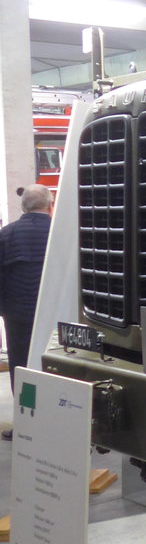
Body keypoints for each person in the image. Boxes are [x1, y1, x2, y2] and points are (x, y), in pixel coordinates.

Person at [1, 184, 53, 440]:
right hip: (57, 316)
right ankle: (62, 424)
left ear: (23, 206)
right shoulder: (63, 233)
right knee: (57, 368)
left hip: (19, 315)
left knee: (22, 369)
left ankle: (27, 425)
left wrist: (4, 310)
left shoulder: (7, 234)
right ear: (50, 204)